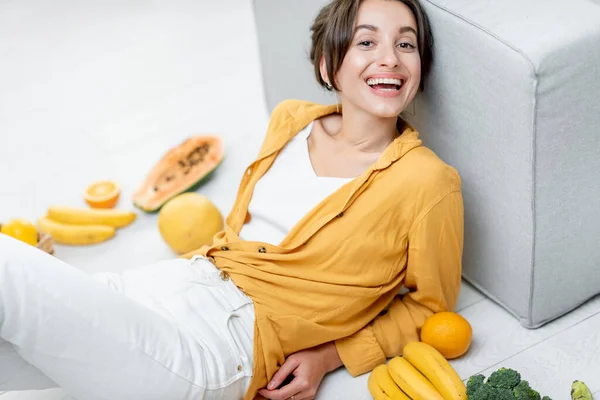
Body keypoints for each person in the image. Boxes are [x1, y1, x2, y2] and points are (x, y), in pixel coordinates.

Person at [0, 0, 464, 399]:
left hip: (218, 346)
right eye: (367, 42)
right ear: (327, 65)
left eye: (406, 44)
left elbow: (430, 307)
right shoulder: (290, 120)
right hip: (163, 284)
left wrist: (330, 356)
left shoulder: (427, 181)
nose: (391, 58)